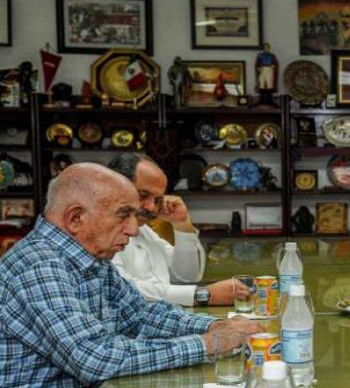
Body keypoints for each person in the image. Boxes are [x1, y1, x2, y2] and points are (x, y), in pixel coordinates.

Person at [0, 163, 262, 386]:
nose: (134, 229)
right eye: (123, 215)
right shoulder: (40, 265)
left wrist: (213, 326)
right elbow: (95, 358)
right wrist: (209, 344)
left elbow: (139, 315)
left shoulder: (88, 256)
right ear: (76, 218)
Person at [108, 153, 244, 307]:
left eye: (157, 199)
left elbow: (188, 276)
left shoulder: (144, 230)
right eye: (143, 195)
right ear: (115, 187)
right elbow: (120, 289)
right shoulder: (99, 232)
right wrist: (202, 295)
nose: (151, 207)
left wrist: (181, 224)